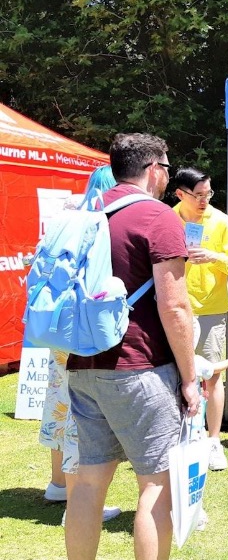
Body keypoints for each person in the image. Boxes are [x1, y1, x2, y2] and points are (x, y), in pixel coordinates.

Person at [64, 133, 199, 560]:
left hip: (84, 364)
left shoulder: (88, 214)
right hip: (140, 366)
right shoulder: (158, 216)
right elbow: (174, 304)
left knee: (87, 482)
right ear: (154, 169)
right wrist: (190, 377)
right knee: (155, 486)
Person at [39, 166, 121, 526]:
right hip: (84, 332)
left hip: (57, 327)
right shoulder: (103, 226)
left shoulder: (66, 221)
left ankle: (58, 484)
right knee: (79, 416)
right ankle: (78, 501)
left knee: (59, 403)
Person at [172, 167, 228, 471]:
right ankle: (179, 439)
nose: (204, 200)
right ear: (180, 194)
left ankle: (214, 441)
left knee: (213, 376)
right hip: (176, 309)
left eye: (208, 193)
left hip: (213, 309)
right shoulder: (167, 218)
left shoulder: (223, 222)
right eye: (198, 194)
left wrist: (215, 257)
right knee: (176, 377)